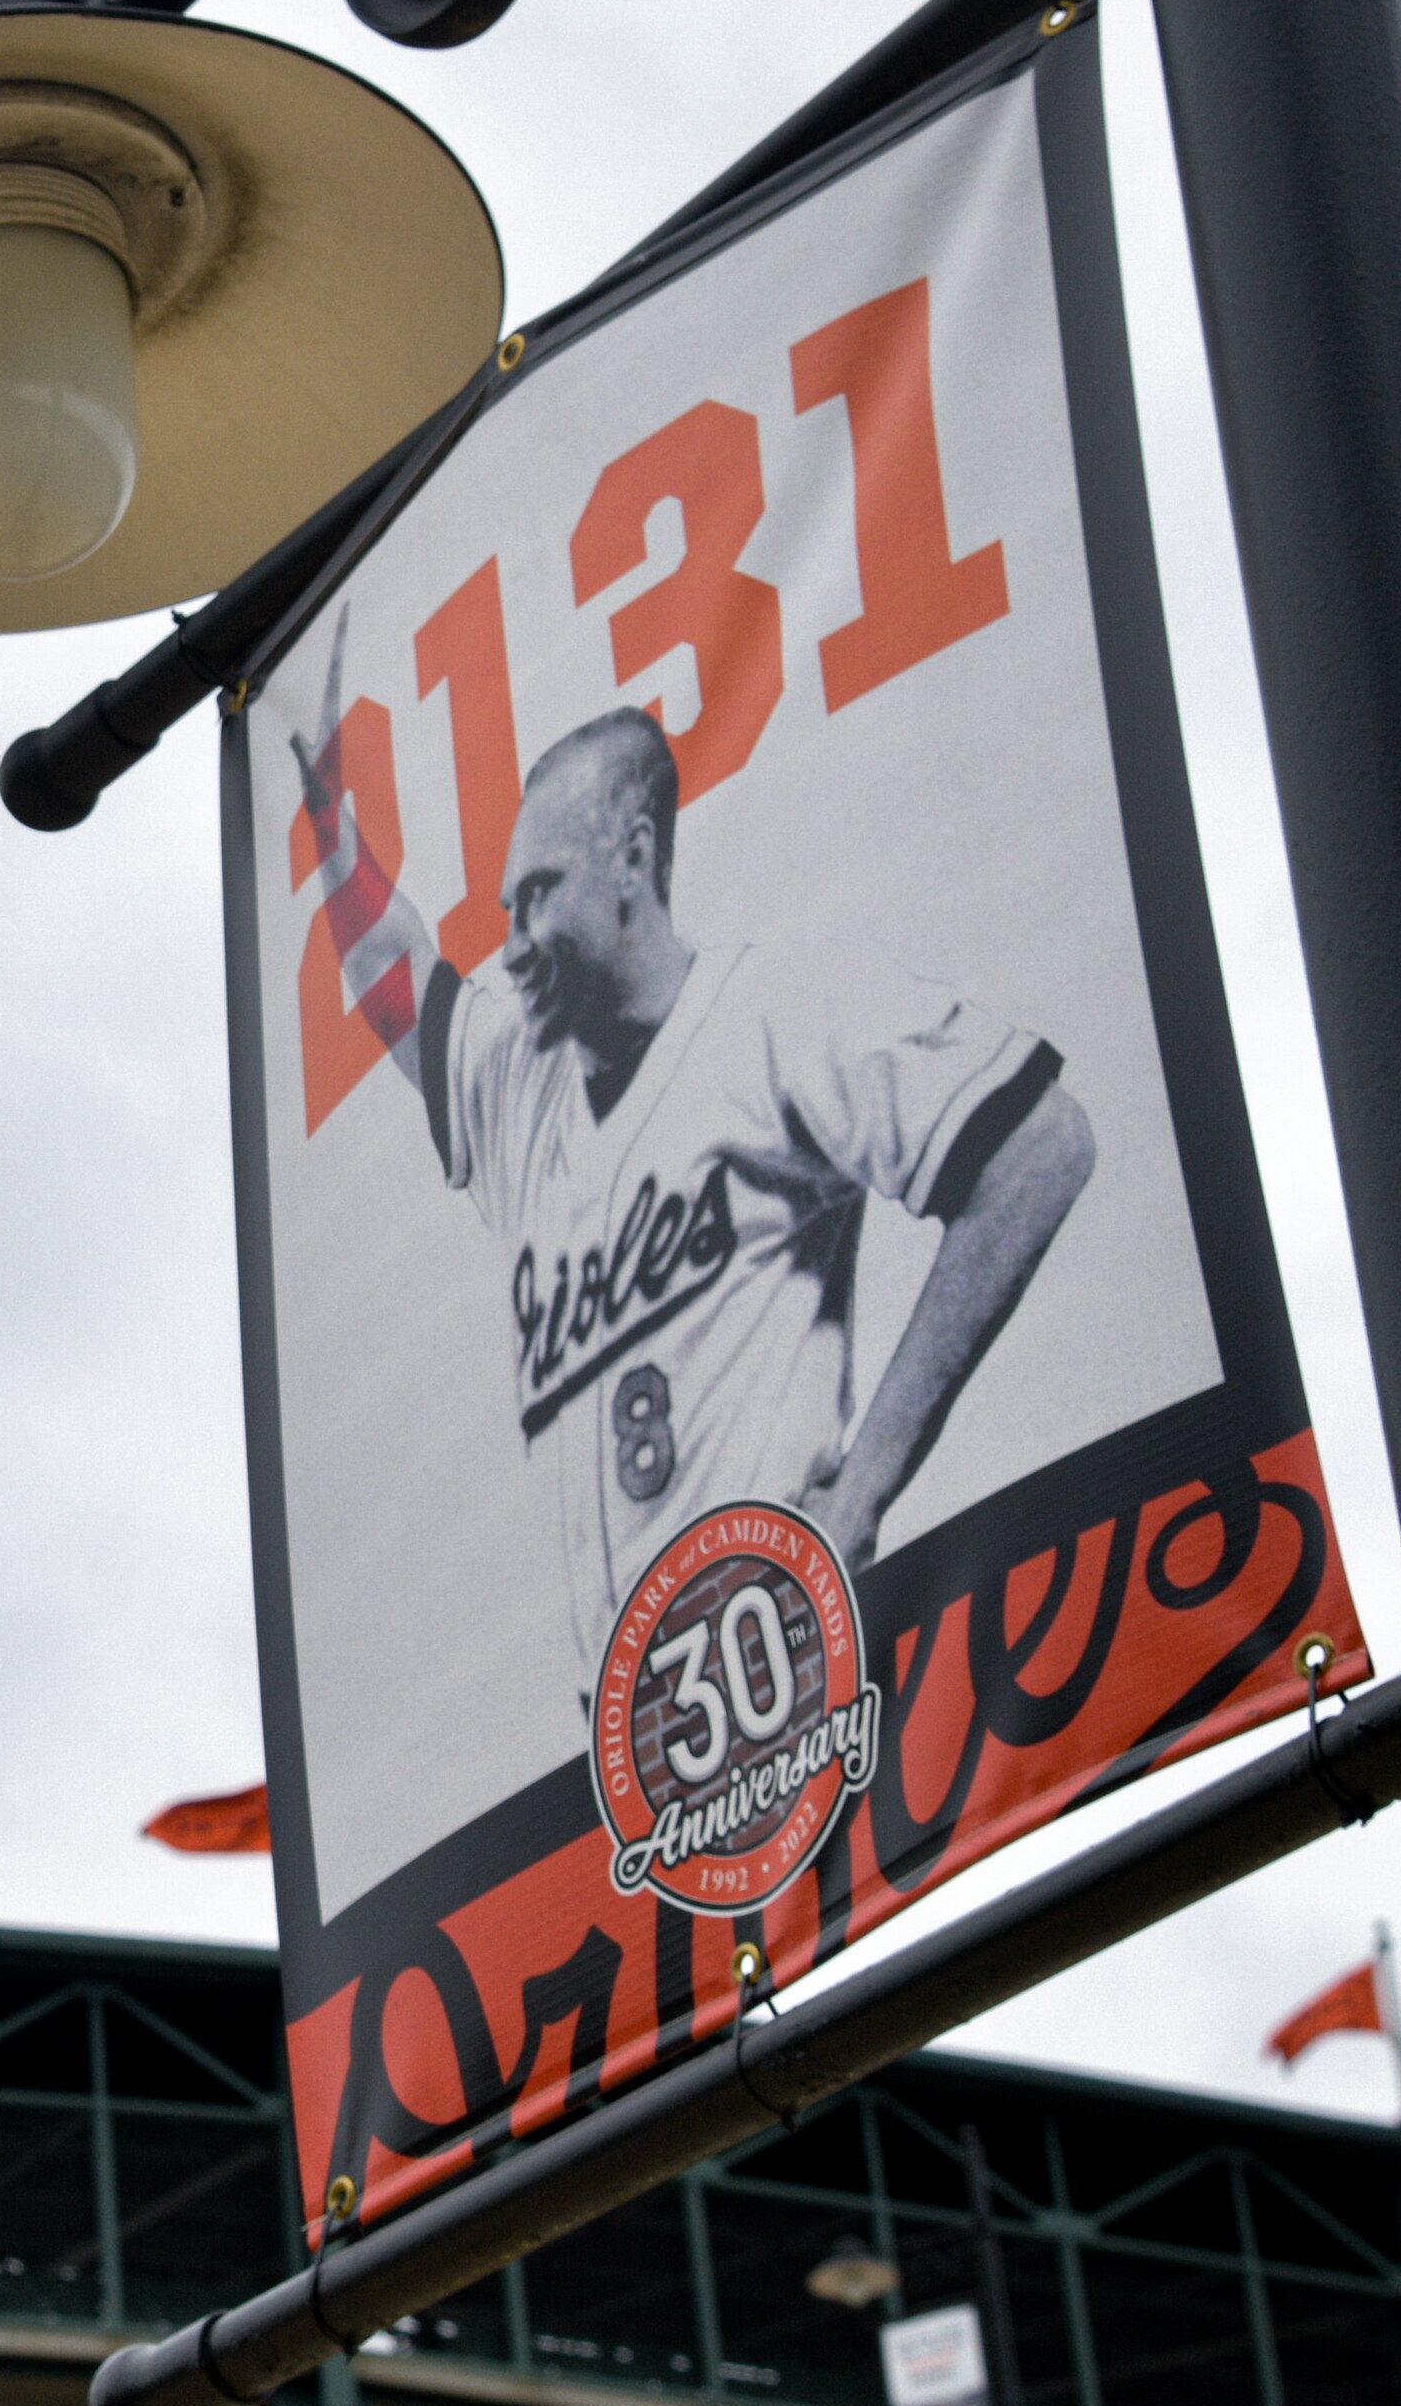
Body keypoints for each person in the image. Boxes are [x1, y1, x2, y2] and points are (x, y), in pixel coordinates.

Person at [287, 620, 1096, 1685]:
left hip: (784, 1683)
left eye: (538, 892)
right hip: (629, 1753)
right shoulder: (514, 1088)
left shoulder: (776, 1014)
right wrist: (324, 815)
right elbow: (394, 977)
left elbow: (1038, 1148)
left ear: (630, 858)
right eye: (502, 906)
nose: (511, 940)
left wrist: (861, 1491)